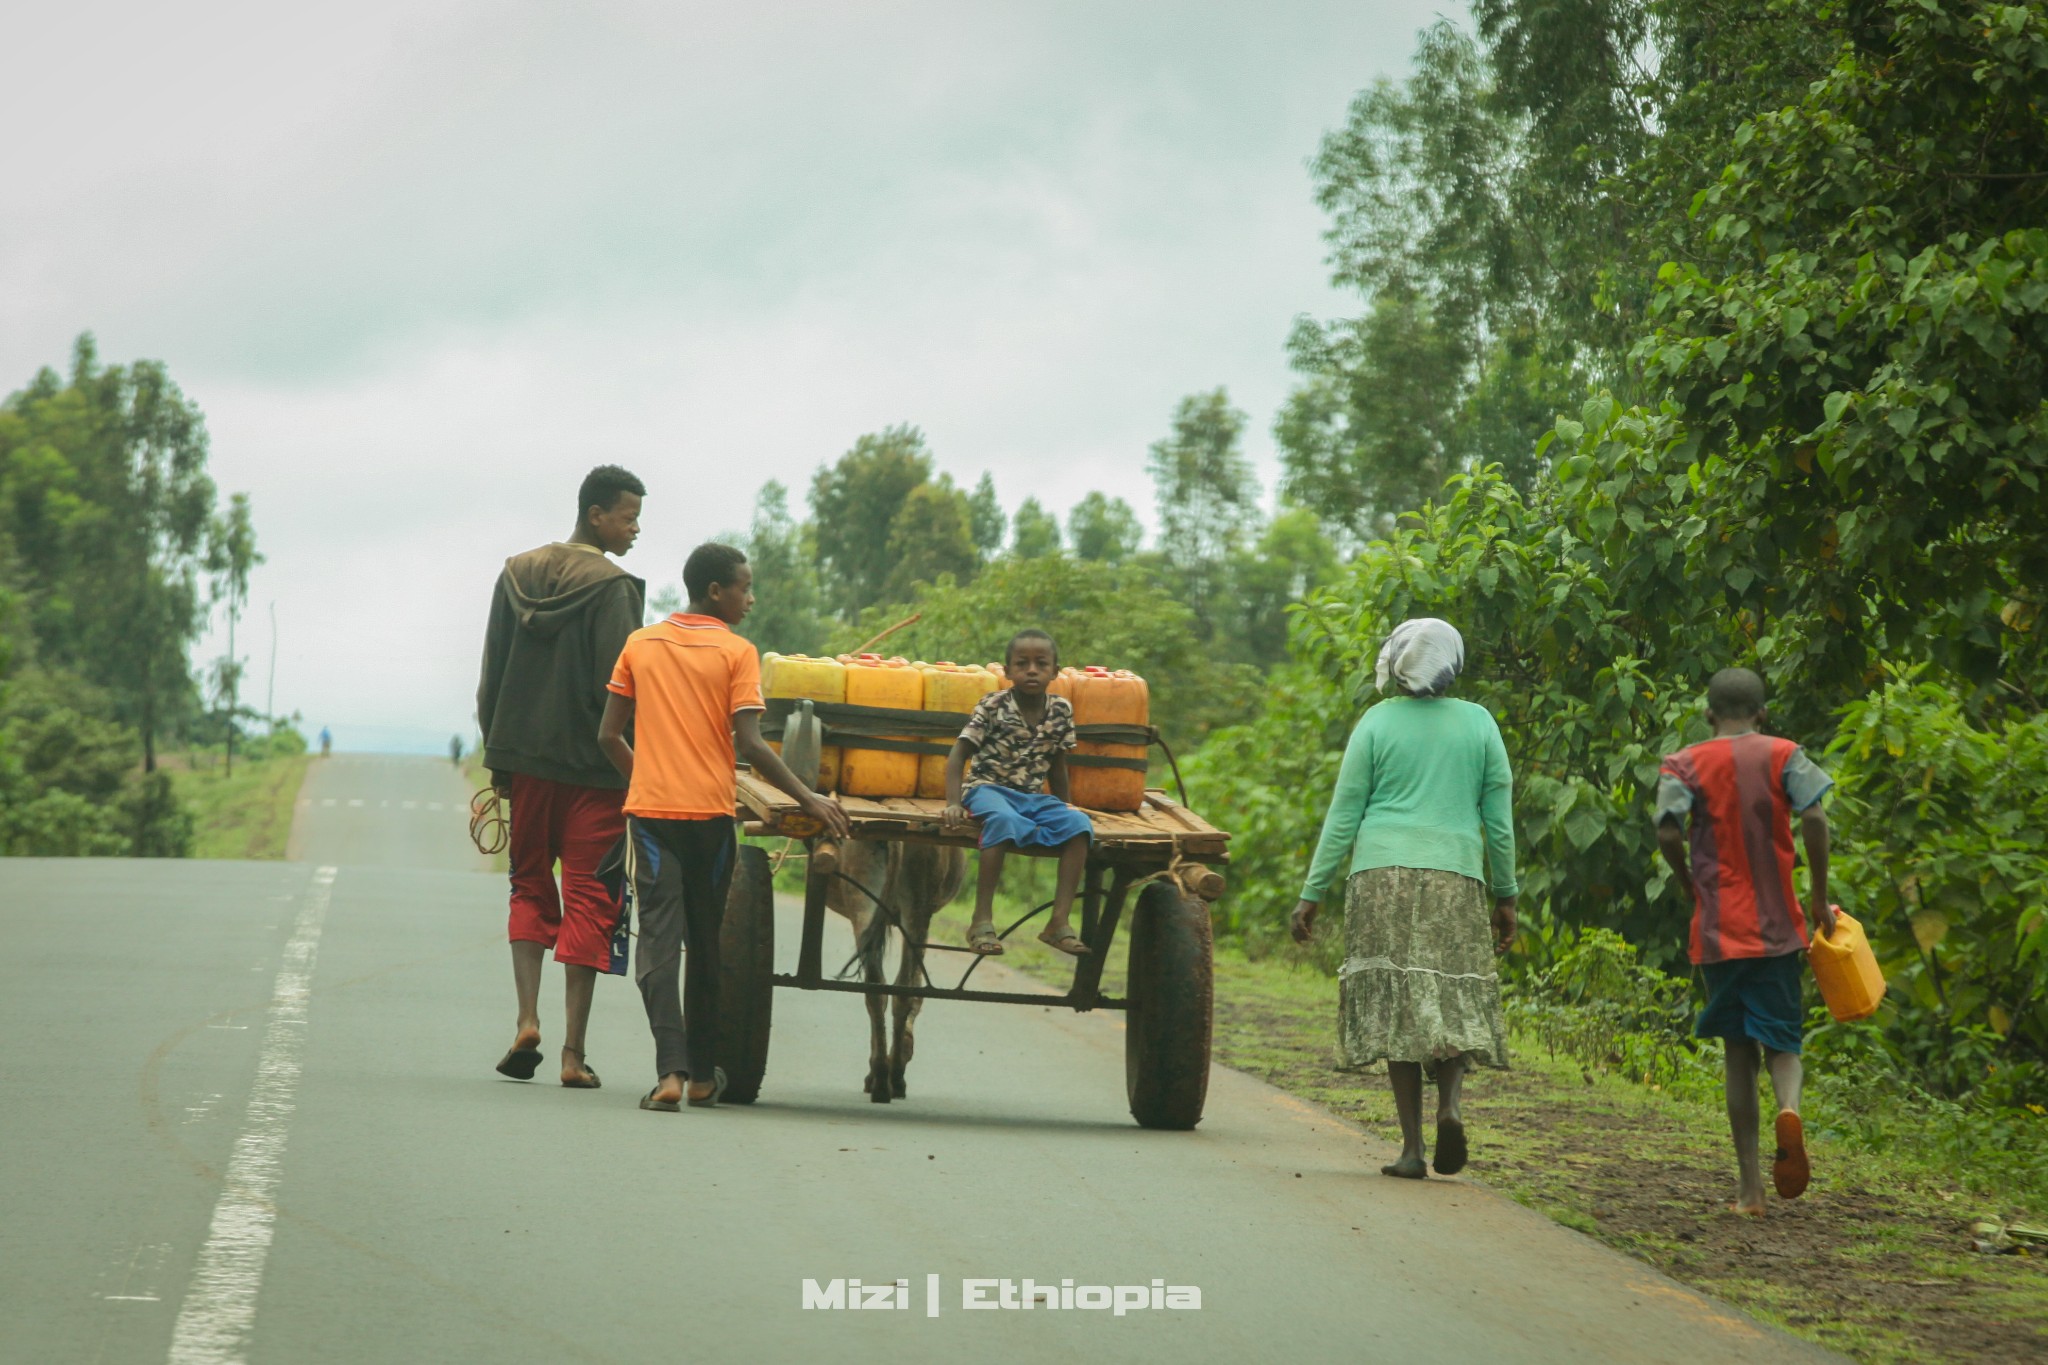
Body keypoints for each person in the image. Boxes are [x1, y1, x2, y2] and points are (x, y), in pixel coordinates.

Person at [599, 542, 849, 1112]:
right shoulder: (737, 653)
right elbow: (752, 745)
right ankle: (704, 1080)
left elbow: (609, 736)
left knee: (658, 944)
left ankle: (670, 1073)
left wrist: (647, 780)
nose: (751, 597)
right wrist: (809, 798)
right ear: (717, 591)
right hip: (711, 819)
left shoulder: (640, 644)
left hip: (653, 818)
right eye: (745, 586)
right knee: (705, 944)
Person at [1290, 618, 1517, 1180]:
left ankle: (1413, 1149)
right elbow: (1500, 822)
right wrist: (1507, 894)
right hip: (1455, 874)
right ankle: (1451, 1105)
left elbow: (1345, 815)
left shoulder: (1376, 721)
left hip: (1380, 873)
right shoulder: (1480, 723)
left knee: (1398, 1003)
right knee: (1448, 996)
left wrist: (1311, 894)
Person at [476, 464, 648, 1090]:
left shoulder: (515, 572)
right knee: (590, 898)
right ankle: (574, 1055)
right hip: (596, 771)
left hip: (525, 761)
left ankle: (527, 1019)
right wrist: (638, 765)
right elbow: (625, 686)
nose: (634, 530)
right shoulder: (616, 587)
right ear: (596, 514)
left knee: (527, 884)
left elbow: (491, 671)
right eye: (628, 517)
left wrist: (500, 759)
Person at [1655, 666, 1834, 1216]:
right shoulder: (1785, 754)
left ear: (1709, 714)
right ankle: (1790, 1109)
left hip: (1718, 931)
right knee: (1784, 1043)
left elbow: (1666, 829)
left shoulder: (1684, 762)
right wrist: (1818, 895)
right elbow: (1815, 815)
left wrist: (1687, 882)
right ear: (1762, 712)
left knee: (1738, 1050)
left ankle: (1750, 1189)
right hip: (1780, 927)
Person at [940, 629, 1095, 957]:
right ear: (1007, 671)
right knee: (1003, 819)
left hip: (1033, 797)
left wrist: (1066, 806)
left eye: (1041, 663)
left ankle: (1059, 923)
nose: (1032, 670)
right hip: (986, 789)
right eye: (1022, 663)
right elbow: (958, 756)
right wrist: (953, 803)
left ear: (1055, 671)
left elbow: (1057, 764)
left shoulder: (1061, 711)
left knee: (1080, 826)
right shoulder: (993, 705)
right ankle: (981, 921)